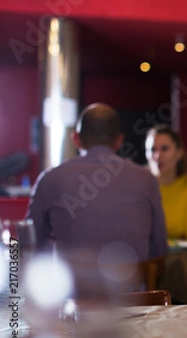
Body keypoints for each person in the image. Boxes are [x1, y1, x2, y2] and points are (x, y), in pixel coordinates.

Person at [26, 103, 168, 292]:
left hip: (69, 306)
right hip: (135, 307)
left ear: (76, 139)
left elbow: (29, 246)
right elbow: (160, 250)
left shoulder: (49, 179)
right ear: (119, 141)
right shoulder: (147, 180)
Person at [145, 124, 187, 241]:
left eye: (164, 149)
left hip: (179, 256)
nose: (157, 155)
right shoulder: (140, 185)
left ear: (179, 153)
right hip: (145, 256)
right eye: (152, 150)